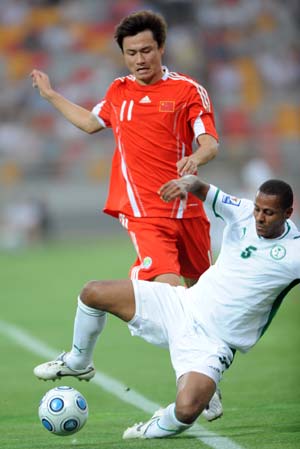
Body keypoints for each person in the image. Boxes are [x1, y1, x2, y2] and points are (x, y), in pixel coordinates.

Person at [34, 175, 300, 439]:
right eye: (257, 209)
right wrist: (187, 183)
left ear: (288, 213)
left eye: (268, 213)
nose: (259, 218)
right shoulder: (242, 212)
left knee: (187, 411)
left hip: (213, 342)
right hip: (181, 304)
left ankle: (151, 429)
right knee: (93, 292)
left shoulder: (294, 253)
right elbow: (203, 188)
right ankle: (79, 362)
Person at [30, 10, 219, 289]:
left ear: (161, 48)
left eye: (146, 51)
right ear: (123, 55)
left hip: (187, 208)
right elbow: (90, 123)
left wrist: (194, 159)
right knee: (168, 288)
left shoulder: (188, 91)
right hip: (144, 211)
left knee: (202, 294)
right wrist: (51, 95)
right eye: (131, 53)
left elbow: (210, 144)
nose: (139, 60)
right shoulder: (118, 91)